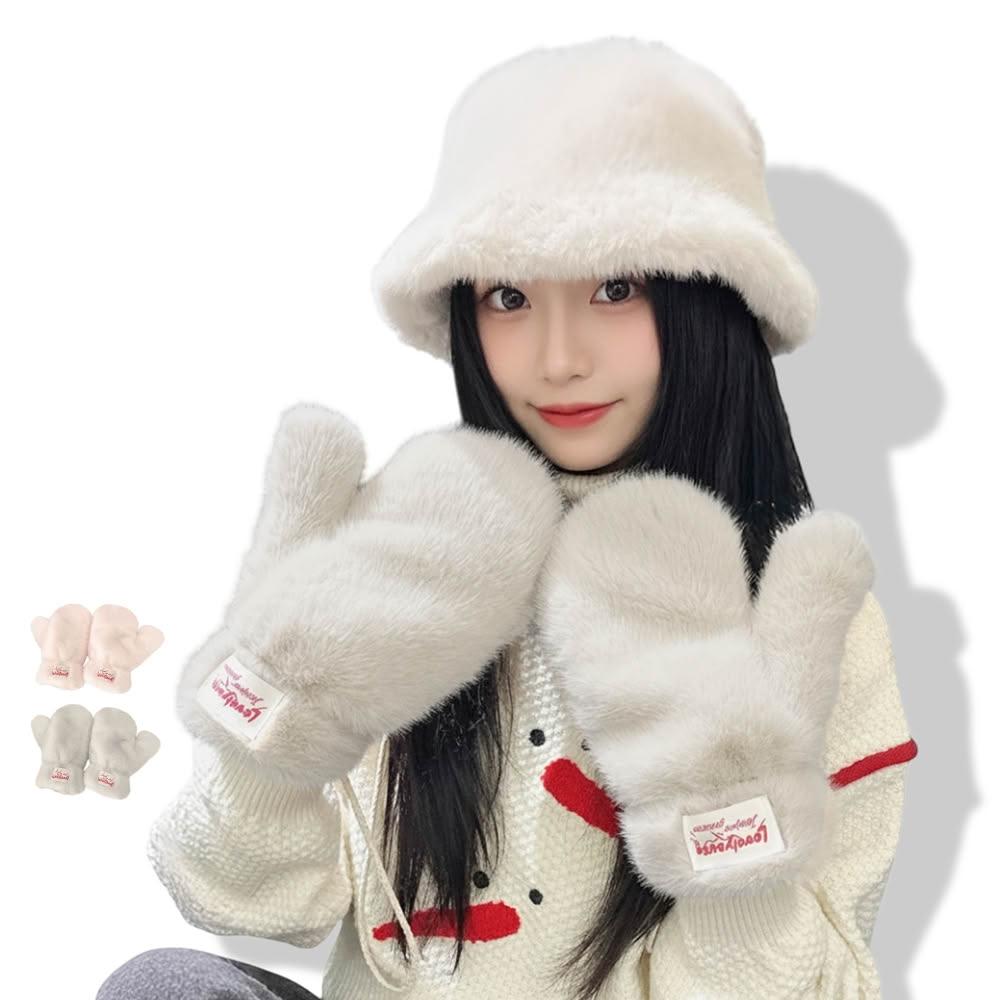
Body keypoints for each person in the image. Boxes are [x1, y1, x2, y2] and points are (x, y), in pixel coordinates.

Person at [97, 35, 918, 1000]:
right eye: (510, 295)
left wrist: (727, 829)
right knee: (164, 985)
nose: (557, 357)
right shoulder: (419, 545)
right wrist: (264, 715)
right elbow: (252, 901)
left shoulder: (805, 623)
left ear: (712, 300)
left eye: (617, 286)